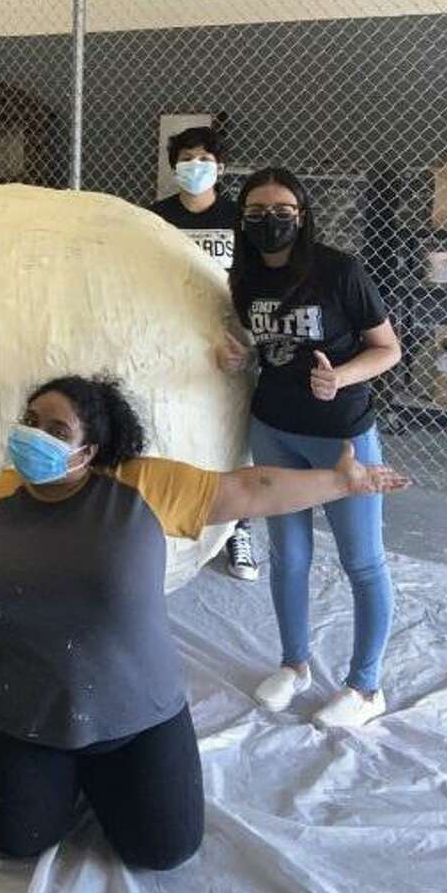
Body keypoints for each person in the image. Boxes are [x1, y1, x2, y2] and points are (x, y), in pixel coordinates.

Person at [0, 375, 408, 865]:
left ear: (87, 450)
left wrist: (336, 482)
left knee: (164, 850)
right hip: (13, 716)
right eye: (29, 422)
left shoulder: (142, 487)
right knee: (15, 840)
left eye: (54, 428)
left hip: (136, 716)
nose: (34, 435)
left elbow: (251, 488)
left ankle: (98, 775)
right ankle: (59, 777)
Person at [219, 167, 404, 729]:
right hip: (273, 429)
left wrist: (341, 378)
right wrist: (239, 358)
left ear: (302, 215)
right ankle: (294, 663)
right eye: (256, 214)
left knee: (362, 561)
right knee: (289, 557)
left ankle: (366, 686)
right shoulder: (243, 276)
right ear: (242, 219)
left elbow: (389, 348)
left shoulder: (338, 271)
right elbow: (268, 346)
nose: (269, 223)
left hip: (340, 438)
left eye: (282, 212)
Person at [149, 126, 257, 583]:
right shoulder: (155, 218)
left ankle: (239, 526)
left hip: (232, 335)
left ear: (221, 167)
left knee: (234, 426)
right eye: (186, 158)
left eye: (204, 159)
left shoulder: (240, 217)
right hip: (174, 335)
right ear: (174, 166)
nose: (195, 166)